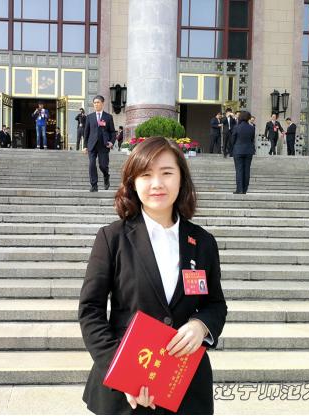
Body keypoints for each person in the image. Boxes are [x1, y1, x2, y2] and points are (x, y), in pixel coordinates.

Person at [79, 136, 227, 415]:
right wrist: (123, 374)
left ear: (181, 179)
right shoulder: (112, 238)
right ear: (133, 183)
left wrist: (201, 326)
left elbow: (216, 304)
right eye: (146, 175)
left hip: (185, 385)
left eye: (167, 173)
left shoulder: (203, 241)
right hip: (125, 394)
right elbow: (90, 311)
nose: (157, 183)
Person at [83, 95, 116, 192]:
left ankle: (106, 176)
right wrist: (85, 146)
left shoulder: (108, 117)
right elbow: (86, 133)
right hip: (92, 145)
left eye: (98, 102)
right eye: (94, 103)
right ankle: (94, 185)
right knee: (92, 164)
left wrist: (111, 142)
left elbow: (112, 132)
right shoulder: (89, 117)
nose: (96, 104)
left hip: (103, 145)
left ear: (102, 103)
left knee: (103, 166)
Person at [231, 111, 256, 194]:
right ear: (248, 118)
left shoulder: (236, 127)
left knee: (239, 170)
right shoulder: (252, 128)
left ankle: (239, 189)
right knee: (247, 170)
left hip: (238, 150)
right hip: (248, 151)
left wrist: (234, 147)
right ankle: (245, 189)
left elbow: (233, 139)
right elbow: (252, 139)